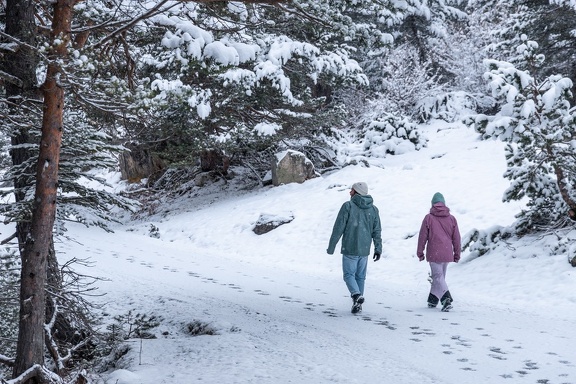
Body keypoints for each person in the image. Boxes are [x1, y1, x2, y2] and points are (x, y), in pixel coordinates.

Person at [327, 182, 382, 314]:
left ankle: (356, 295)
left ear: (357, 192)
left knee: (348, 275)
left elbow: (338, 227)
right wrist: (378, 248)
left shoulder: (348, 206)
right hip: (364, 249)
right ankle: (358, 304)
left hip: (350, 246)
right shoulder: (373, 209)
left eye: (352, 190)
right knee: (360, 277)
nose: (350, 192)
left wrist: (331, 246)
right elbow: (377, 230)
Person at [416, 192, 461, 312]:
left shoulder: (429, 218)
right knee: (439, 278)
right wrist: (457, 253)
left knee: (438, 277)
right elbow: (457, 238)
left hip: (434, 253)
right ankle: (433, 299)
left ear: (432, 204)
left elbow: (422, 237)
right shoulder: (451, 219)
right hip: (447, 253)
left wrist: (420, 252)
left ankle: (446, 299)